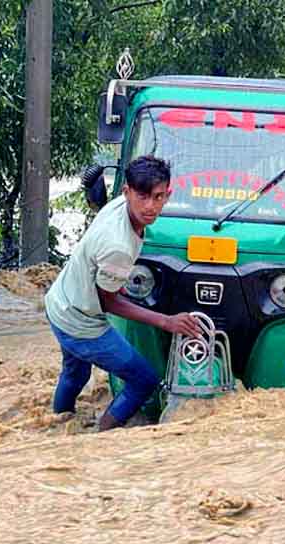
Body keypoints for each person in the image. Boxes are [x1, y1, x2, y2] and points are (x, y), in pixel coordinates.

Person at [45, 155, 202, 431]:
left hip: (60, 302)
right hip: (81, 321)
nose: (150, 206)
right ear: (127, 192)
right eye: (142, 197)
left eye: (158, 197)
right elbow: (109, 302)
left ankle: (57, 424)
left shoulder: (119, 206)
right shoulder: (119, 247)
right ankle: (102, 438)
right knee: (144, 380)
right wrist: (166, 321)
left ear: (168, 194)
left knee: (75, 372)